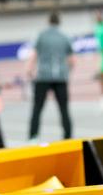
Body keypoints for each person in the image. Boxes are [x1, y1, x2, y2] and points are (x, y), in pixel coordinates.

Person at [28, 12, 74, 141]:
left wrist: (29, 70)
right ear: (59, 22)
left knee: (37, 108)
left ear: (49, 21)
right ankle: (68, 136)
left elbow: (34, 55)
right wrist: (67, 72)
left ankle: (33, 136)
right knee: (64, 109)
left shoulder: (42, 36)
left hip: (43, 76)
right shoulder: (65, 37)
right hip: (60, 77)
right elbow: (72, 60)